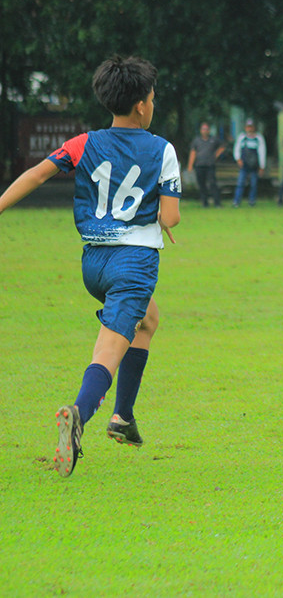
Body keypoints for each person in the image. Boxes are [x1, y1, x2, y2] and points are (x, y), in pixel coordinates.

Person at [0, 55, 181, 477]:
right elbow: (170, 217)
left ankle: (123, 419)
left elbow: (37, 175)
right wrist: (158, 215)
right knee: (108, 351)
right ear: (141, 105)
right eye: (152, 98)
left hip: (93, 264)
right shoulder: (162, 149)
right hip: (133, 264)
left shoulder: (85, 142)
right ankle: (77, 415)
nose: (153, 104)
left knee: (148, 320)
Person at [187, 121, 226, 207]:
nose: (205, 131)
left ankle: (217, 203)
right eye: (203, 129)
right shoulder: (196, 141)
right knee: (202, 184)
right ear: (201, 130)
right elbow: (193, 152)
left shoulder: (214, 139)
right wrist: (190, 165)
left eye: (206, 129)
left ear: (209, 130)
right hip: (199, 165)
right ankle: (205, 203)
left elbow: (222, 146)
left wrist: (216, 155)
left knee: (212, 183)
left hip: (210, 165)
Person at [233, 118, 266, 207]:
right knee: (240, 183)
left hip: (254, 165)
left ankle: (252, 201)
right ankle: (236, 201)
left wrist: (262, 166)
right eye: (248, 127)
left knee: (253, 184)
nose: (249, 129)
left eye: (251, 127)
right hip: (244, 164)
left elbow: (262, 152)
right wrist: (238, 159)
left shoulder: (259, 138)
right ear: (245, 127)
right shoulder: (242, 137)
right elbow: (237, 149)